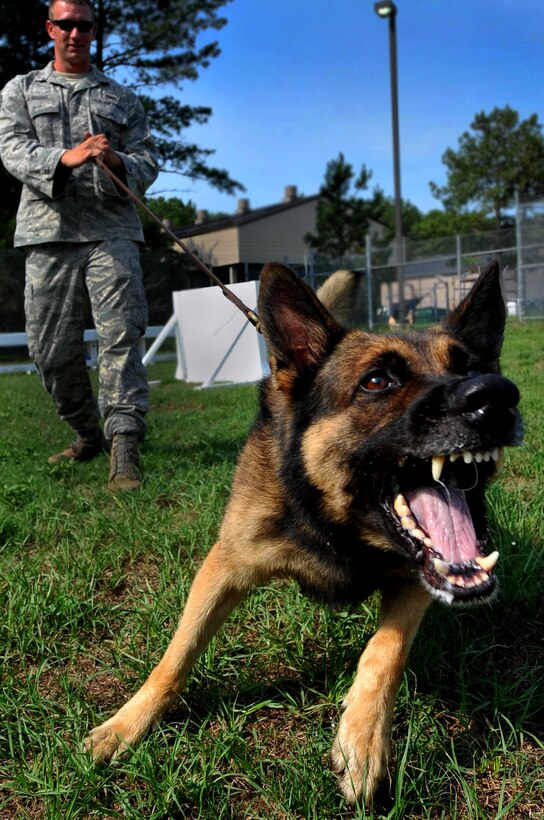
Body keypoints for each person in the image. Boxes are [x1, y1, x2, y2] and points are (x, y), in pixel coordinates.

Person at [0, 0, 159, 491]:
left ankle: (125, 446)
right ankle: (86, 433)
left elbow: (149, 161)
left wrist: (116, 161)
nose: (74, 33)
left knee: (120, 337)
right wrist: (66, 157)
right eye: (64, 24)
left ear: (94, 30)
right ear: (50, 28)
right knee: (51, 350)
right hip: (48, 233)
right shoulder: (21, 89)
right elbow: (11, 148)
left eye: (83, 25)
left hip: (112, 232)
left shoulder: (121, 98)